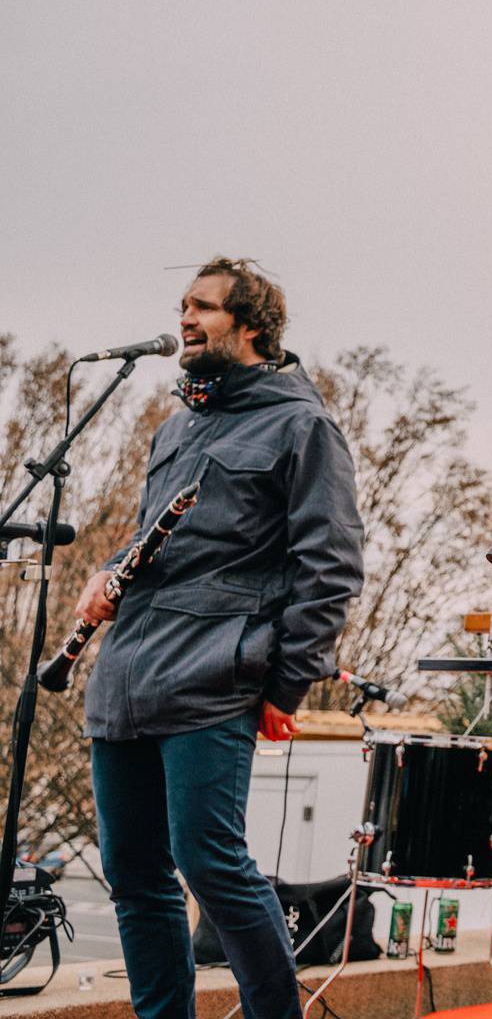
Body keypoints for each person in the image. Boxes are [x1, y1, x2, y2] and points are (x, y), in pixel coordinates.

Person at [78, 258, 364, 1019]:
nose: (185, 318)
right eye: (183, 305)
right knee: (135, 876)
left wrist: (285, 687)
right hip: (127, 676)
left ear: (252, 328)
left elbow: (330, 568)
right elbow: (152, 542)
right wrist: (106, 573)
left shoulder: (304, 424)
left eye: (202, 307)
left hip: (214, 680)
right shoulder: (175, 427)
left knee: (212, 863)